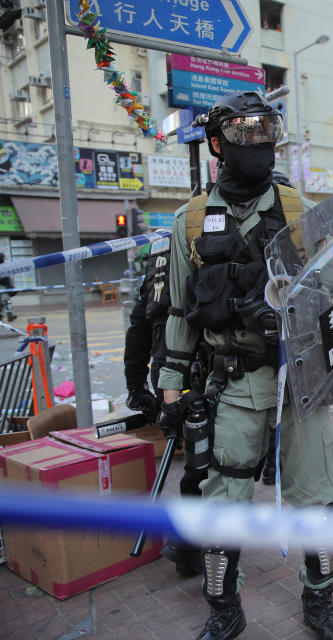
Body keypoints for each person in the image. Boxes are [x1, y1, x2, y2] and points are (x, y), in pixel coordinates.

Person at [156, 91, 333, 640]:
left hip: (301, 382)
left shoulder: (300, 210)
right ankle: (224, 609)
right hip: (232, 383)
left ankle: (320, 599)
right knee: (225, 506)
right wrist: (171, 385)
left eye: (267, 132)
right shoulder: (190, 220)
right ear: (217, 144)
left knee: (316, 499)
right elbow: (179, 310)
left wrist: (314, 327)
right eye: (245, 134)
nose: (259, 144)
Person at [123, 236, 207, 576]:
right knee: (206, 457)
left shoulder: (159, 253)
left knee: (194, 454)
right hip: (195, 366)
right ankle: (190, 542)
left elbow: (139, 324)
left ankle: (189, 541)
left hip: (164, 370)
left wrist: (135, 385)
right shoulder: (207, 240)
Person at [0, 253, 16, 321]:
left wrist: (10, 286)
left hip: (5, 287)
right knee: (4, 301)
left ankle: (10, 315)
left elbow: (7, 278)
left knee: (7, 301)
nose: (3, 259)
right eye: (3, 258)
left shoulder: (4, 266)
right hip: (2, 286)